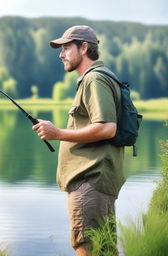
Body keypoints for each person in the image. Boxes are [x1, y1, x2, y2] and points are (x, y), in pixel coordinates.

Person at [32, 25, 125, 256]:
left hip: (89, 179)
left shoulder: (94, 80)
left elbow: (107, 128)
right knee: (103, 249)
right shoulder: (95, 79)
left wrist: (58, 133)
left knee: (86, 246)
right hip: (96, 179)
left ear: (84, 48)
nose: (61, 54)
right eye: (60, 49)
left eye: (65, 48)